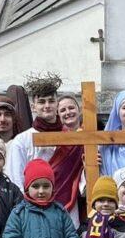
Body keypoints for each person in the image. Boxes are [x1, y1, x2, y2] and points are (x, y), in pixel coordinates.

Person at [5, 73, 82, 210]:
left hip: (67, 211)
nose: (47, 105)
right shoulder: (22, 141)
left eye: (51, 101)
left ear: (57, 104)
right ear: (33, 106)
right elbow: (16, 181)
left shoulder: (74, 139)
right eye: (41, 102)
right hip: (34, 211)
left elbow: (81, 177)